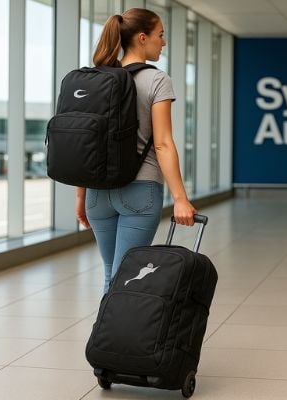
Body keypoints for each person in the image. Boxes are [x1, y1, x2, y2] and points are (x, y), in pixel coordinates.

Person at [76, 8, 196, 293]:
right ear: (142, 38)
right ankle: (113, 325)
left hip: (97, 194)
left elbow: (87, 143)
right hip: (139, 191)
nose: (163, 42)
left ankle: (105, 324)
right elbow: (163, 143)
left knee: (112, 275)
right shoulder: (156, 80)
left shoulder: (97, 79)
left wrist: (81, 197)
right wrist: (180, 198)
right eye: (160, 35)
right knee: (125, 279)